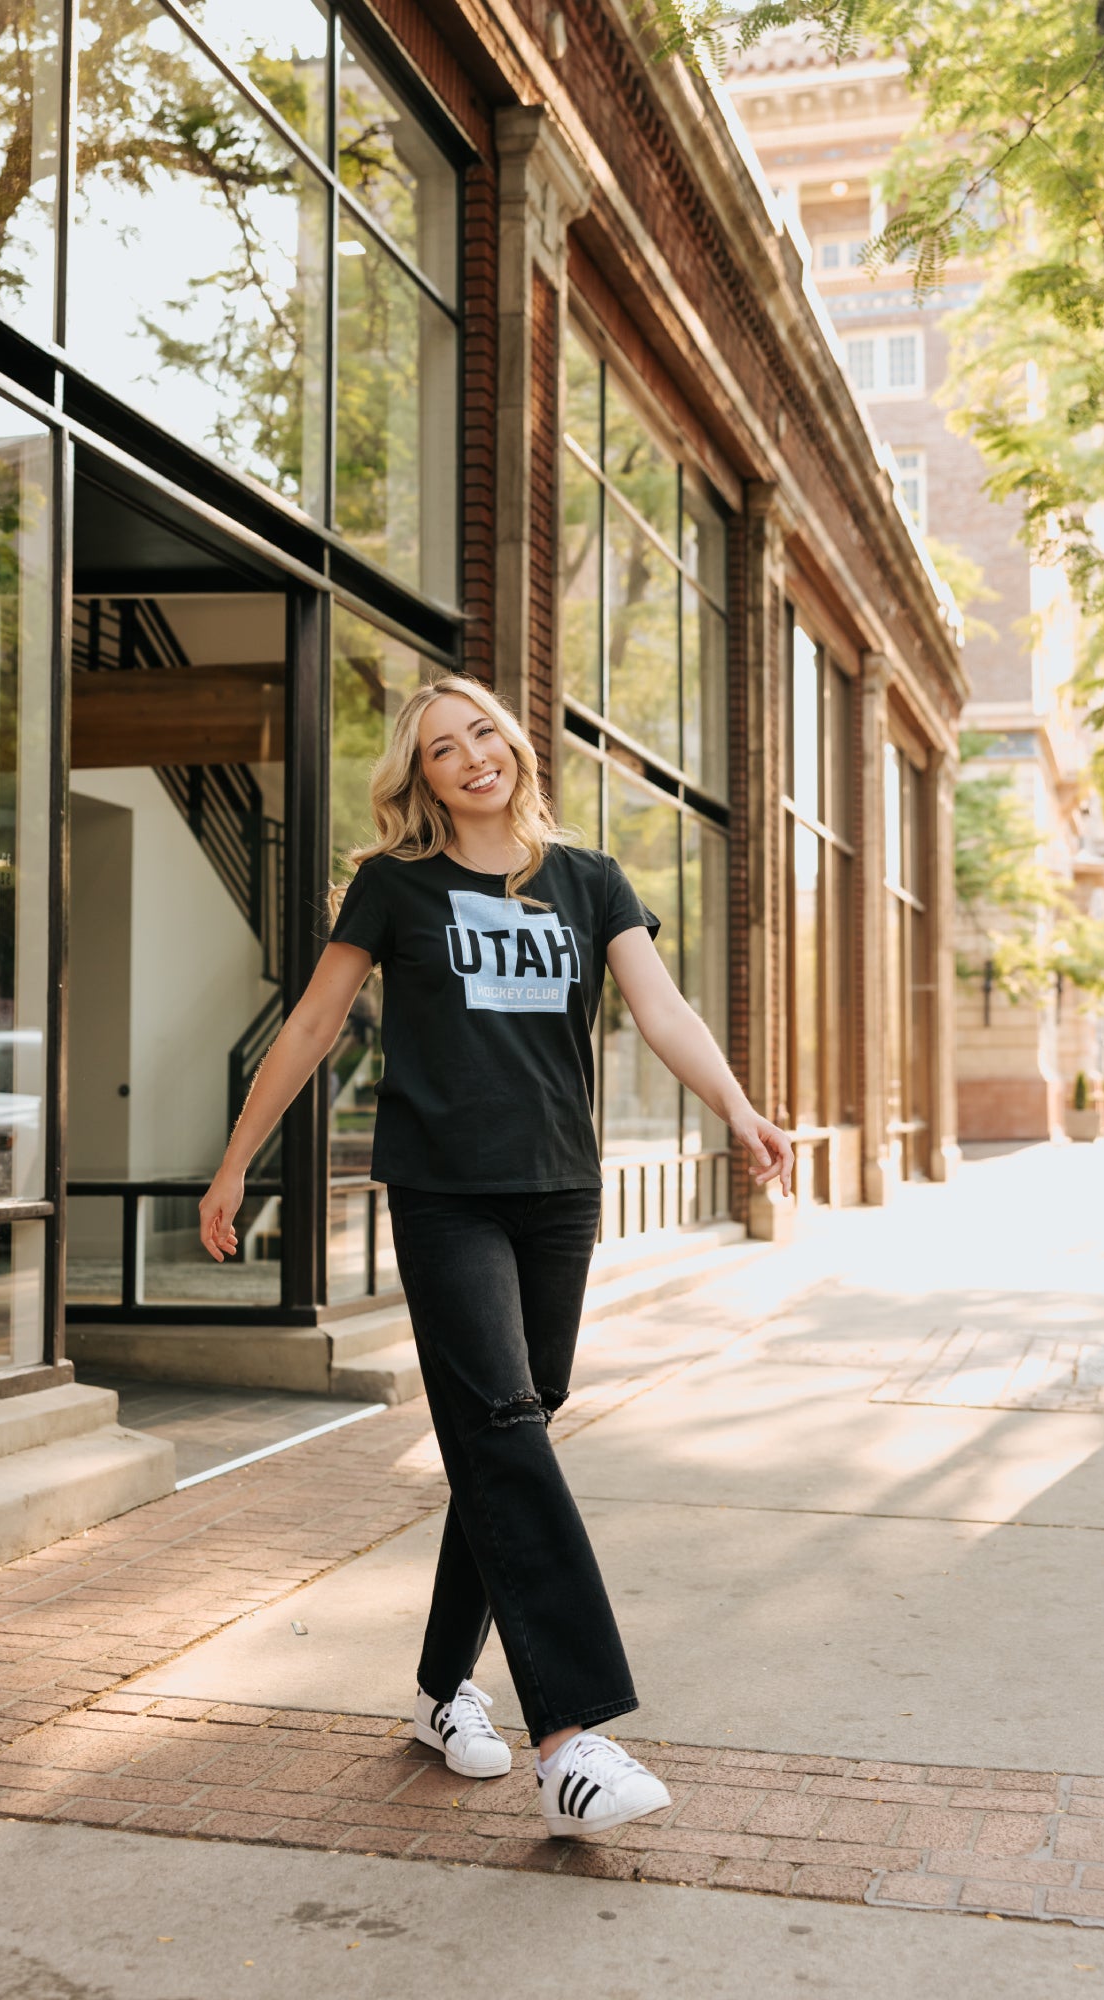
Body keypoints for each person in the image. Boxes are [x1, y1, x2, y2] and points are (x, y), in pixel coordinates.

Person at [199, 672, 793, 1839]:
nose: (471, 756)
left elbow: (661, 1007)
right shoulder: (392, 887)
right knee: (508, 1431)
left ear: (514, 746)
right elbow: (313, 1025)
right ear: (417, 780)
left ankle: (436, 1689)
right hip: (444, 1196)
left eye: (483, 733)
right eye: (440, 749)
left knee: (499, 1438)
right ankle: (569, 1737)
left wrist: (736, 1105)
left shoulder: (588, 879)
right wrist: (234, 1161)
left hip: (559, 1193)